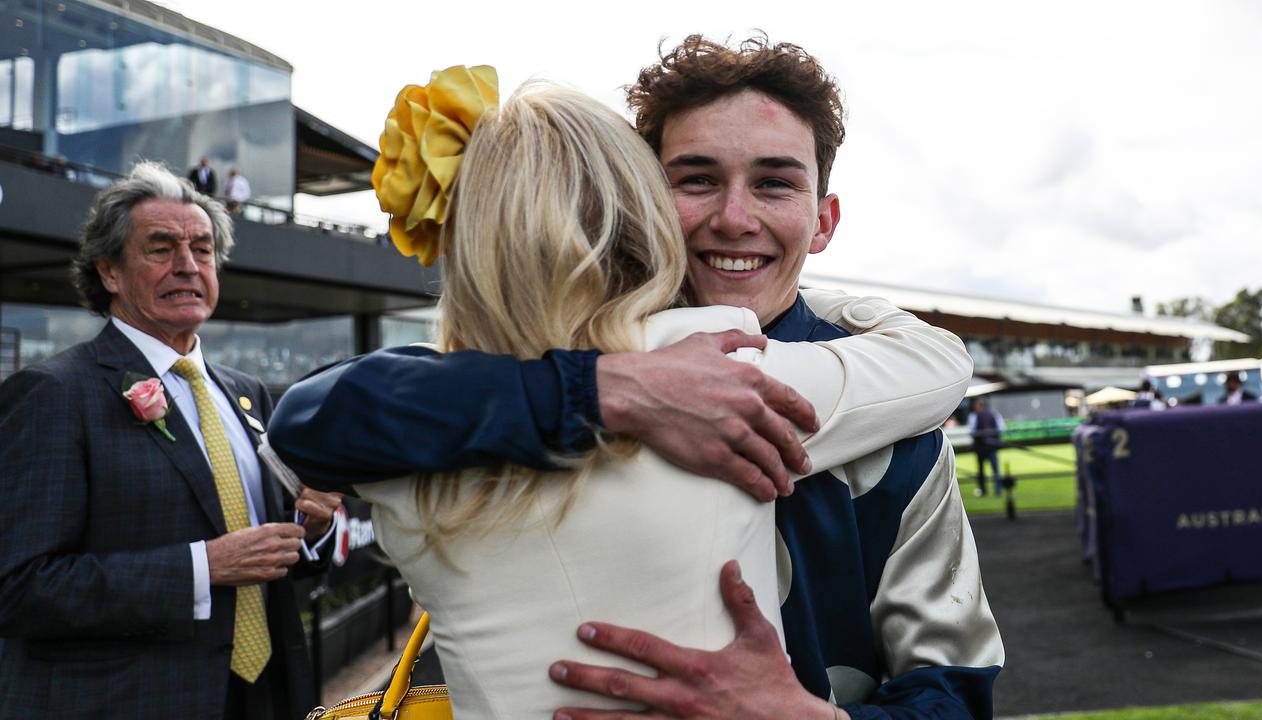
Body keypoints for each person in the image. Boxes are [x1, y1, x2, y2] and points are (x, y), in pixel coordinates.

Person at [271, 36, 1002, 719]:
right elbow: (319, 416)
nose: (733, 217)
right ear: (644, 202)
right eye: (697, 179)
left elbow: (957, 689)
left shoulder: (898, 432)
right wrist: (605, 388)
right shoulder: (470, 394)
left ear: (823, 220)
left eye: (774, 184)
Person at [0, 162, 342, 719]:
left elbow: (267, 553)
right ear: (109, 271)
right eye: (161, 249)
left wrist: (314, 530)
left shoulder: (247, 392)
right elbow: (17, 587)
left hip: (269, 695)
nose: (187, 266)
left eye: (202, 250)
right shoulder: (53, 393)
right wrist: (201, 567)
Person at [967, 396, 1006, 497]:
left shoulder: (974, 416)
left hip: (981, 447)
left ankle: (985, 490)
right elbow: (1001, 428)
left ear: (980, 406)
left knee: (983, 470)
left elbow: (972, 431)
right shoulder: (994, 414)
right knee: (994, 469)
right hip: (990, 446)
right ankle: (997, 489)